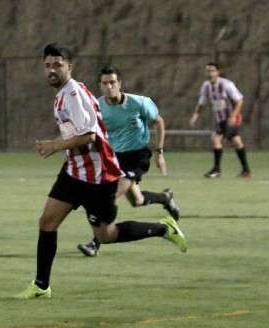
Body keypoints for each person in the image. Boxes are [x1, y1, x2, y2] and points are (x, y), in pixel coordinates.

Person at [14, 44, 188, 300]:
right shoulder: (67, 92)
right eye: (47, 65)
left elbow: (89, 135)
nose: (51, 70)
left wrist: (54, 145)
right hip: (75, 171)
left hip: (97, 177)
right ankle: (41, 285)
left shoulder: (72, 94)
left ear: (69, 67)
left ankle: (164, 229)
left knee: (105, 235)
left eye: (57, 65)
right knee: (47, 222)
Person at [77, 66, 181, 257]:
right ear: (99, 86)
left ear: (120, 84)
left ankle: (95, 243)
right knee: (137, 200)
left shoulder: (139, 103)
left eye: (113, 82)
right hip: (113, 158)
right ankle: (165, 197)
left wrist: (159, 152)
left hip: (137, 156)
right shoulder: (97, 107)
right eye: (105, 83)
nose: (109, 87)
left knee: (111, 196)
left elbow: (159, 122)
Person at [189, 62, 251, 178]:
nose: (210, 73)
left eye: (212, 70)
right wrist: (195, 115)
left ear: (218, 72)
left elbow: (240, 100)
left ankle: (216, 170)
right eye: (208, 71)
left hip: (232, 118)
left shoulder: (227, 84)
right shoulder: (206, 86)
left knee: (215, 138)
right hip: (220, 119)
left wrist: (233, 116)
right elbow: (202, 103)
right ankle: (246, 170)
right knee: (237, 142)